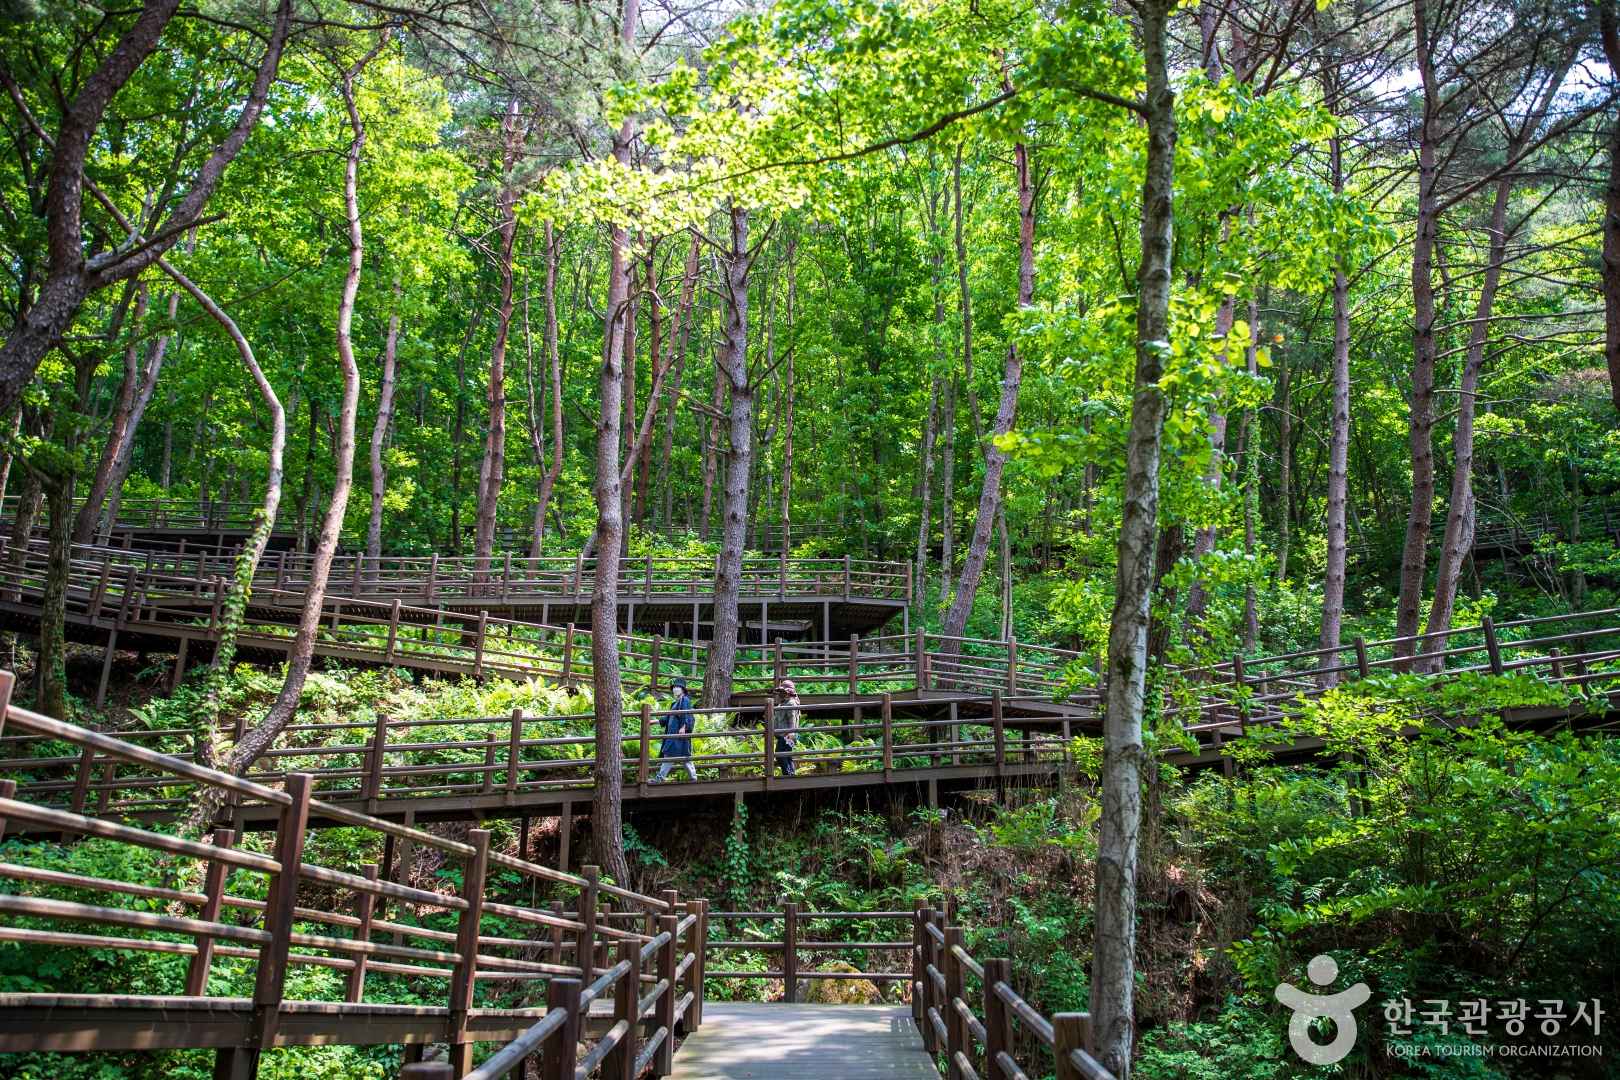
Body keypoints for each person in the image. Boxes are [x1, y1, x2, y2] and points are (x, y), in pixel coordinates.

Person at [655, 677, 697, 782]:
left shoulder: (685, 700)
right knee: (681, 757)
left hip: (678, 734)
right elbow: (667, 718)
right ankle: (693, 778)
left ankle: (659, 779)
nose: (675, 689)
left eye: (678, 687)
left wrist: (683, 727)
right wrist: (654, 722)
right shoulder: (674, 703)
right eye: (674, 687)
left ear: (682, 689)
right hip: (673, 734)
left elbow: (686, 713)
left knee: (678, 756)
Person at [772, 678, 800, 776]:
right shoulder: (783, 703)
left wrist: (791, 733)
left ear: (788, 692)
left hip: (787, 735)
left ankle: (788, 774)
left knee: (780, 755)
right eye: (780, 692)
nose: (780, 694)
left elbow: (792, 719)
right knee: (787, 755)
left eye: (782, 692)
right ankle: (791, 774)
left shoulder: (791, 703)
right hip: (783, 735)